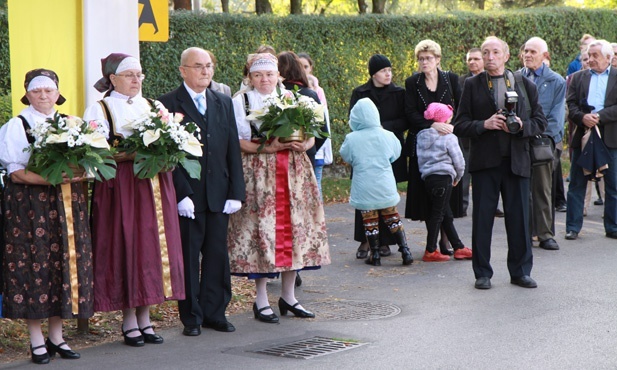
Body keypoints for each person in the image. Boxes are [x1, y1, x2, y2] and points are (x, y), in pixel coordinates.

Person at [84, 53, 185, 346]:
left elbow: (170, 145)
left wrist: (168, 154)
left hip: (154, 184)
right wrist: (134, 153)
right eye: (129, 75)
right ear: (113, 79)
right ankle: (129, 320)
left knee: (152, 247)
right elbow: (97, 153)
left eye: (139, 75)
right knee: (126, 246)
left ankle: (146, 317)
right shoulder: (100, 108)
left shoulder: (154, 106)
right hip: (121, 187)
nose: (136, 80)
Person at [228, 53, 330, 324]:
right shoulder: (241, 101)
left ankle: (288, 296)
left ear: (279, 76)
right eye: (259, 75)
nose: (265, 80)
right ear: (250, 77)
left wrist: (304, 144)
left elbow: (311, 134)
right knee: (262, 232)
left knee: (295, 230)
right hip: (259, 172)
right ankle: (260, 299)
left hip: (295, 172)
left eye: (270, 74)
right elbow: (237, 141)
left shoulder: (295, 98)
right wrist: (267, 147)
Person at [0, 69, 92, 364]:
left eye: (48, 90)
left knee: (62, 266)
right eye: (36, 91)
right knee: (33, 267)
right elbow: (15, 170)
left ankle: (56, 337)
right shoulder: (17, 125)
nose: (43, 96)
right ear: (27, 94)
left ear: (57, 93)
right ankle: (36, 340)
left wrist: (74, 174)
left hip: (67, 203)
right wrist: (50, 179)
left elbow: (87, 164)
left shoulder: (71, 124)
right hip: (30, 207)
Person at [158, 47, 245, 336]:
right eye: (198, 66)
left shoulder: (222, 101)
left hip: (219, 193)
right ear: (183, 70)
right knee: (189, 255)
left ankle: (215, 312)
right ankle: (192, 317)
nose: (205, 71)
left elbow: (233, 148)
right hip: (189, 197)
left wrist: (237, 191)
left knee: (217, 256)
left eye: (209, 66)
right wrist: (181, 193)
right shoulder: (167, 104)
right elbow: (167, 154)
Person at [453, 36, 547, 290]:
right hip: (485, 163)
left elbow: (540, 123)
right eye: (486, 53)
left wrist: (519, 128)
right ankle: (482, 273)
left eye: (495, 52)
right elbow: (459, 124)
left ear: (506, 56)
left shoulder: (525, 84)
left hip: (517, 162)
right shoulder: (472, 85)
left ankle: (520, 272)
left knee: (519, 220)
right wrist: (484, 124)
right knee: (482, 219)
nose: (490, 57)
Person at [404, 40, 464, 259]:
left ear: (438, 59)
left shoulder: (451, 79)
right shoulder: (413, 82)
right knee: (430, 196)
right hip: (423, 147)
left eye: (428, 58)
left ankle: (446, 242)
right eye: (421, 58)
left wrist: (450, 124)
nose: (424, 62)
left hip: (448, 145)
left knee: (446, 194)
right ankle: (436, 247)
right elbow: (410, 113)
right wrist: (432, 125)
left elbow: (461, 107)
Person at [340, 98, 413, 266]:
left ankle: (375, 255)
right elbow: (395, 154)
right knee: (393, 217)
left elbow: (347, 156)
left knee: (370, 220)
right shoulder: (388, 135)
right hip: (384, 183)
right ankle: (405, 251)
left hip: (364, 184)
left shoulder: (351, 139)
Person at [349, 54, 408, 259]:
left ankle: (385, 242)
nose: (388, 74)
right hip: (365, 153)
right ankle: (365, 241)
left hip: (387, 151)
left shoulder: (399, 93)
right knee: (364, 196)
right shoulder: (360, 93)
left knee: (385, 197)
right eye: (384, 71)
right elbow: (353, 119)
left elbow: (405, 120)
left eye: (390, 70)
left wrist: (384, 128)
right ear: (374, 74)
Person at [565, 39, 617, 241]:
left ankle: (613, 226)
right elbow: (571, 104)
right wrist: (582, 117)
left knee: (613, 184)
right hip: (585, 135)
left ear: (608, 58)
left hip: (610, 136)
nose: (590, 59)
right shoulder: (578, 78)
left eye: (595, 55)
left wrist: (600, 116)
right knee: (577, 183)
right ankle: (572, 227)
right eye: (589, 55)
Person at [520, 37, 566, 251]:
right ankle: (526, 233)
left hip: (543, 143)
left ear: (544, 55)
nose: (527, 55)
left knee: (543, 189)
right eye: (526, 51)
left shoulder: (556, 81)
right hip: (519, 141)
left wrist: (532, 131)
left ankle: (545, 234)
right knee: (522, 190)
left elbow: (556, 119)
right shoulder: (516, 77)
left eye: (532, 52)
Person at [416, 102, 471, 262]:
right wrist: (458, 177)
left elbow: (420, 159)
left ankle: (458, 246)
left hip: (429, 178)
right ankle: (430, 250)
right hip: (444, 177)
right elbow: (459, 161)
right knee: (438, 214)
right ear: (445, 121)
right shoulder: (449, 137)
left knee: (446, 214)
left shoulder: (421, 136)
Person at [277, 51, 326, 168]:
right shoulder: (311, 94)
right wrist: (309, 146)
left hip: (278, 155)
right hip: (305, 155)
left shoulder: (274, 94)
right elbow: (322, 130)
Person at [298, 52, 332, 198]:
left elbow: (322, 120)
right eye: (299, 66)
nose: (302, 70)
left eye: (305, 66)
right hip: (302, 145)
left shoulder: (317, 92)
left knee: (315, 183)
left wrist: (313, 145)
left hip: (314, 147)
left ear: (310, 68)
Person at [458, 48, 484, 217]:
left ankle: (491, 206)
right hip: (467, 134)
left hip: (488, 132)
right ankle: (462, 206)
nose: (472, 62)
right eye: (469, 59)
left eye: (476, 59)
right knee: (464, 171)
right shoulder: (461, 81)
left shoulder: (492, 79)